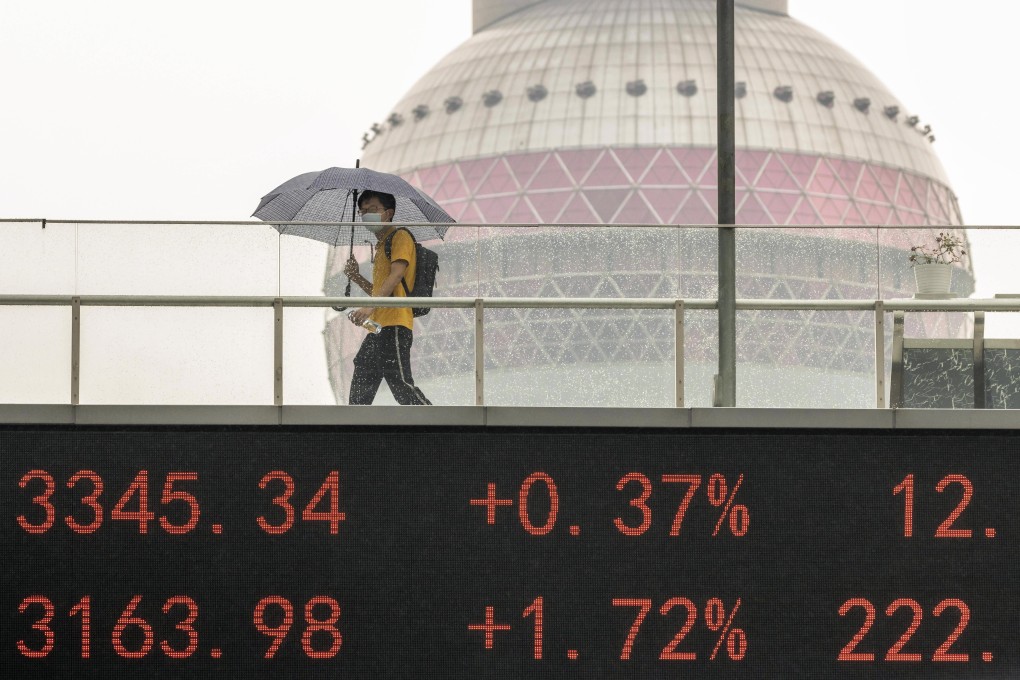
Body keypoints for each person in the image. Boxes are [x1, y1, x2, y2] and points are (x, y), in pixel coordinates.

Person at [343, 190, 431, 405]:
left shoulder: (400, 236)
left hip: (396, 324)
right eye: (362, 211)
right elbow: (380, 289)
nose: (366, 215)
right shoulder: (381, 246)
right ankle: (354, 425)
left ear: (389, 212)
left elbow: (397, 274)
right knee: (363, 368)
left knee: (400, 381)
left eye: (372, 209)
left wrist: (369, 307)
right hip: (378, 326)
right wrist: (355, 277)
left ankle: (438, 423)